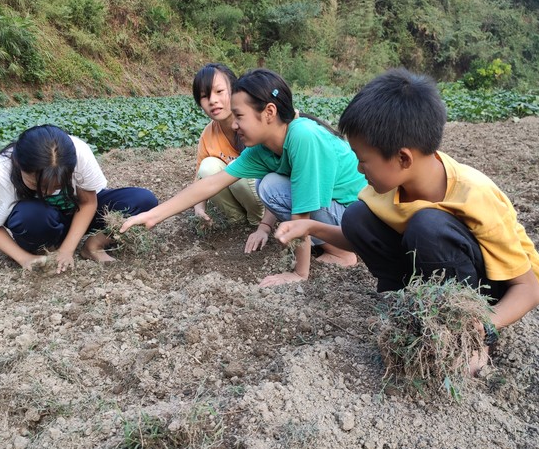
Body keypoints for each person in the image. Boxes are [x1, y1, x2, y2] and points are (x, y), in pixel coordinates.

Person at [274, 68, 539, 372]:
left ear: (403, 158)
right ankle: (406, 306)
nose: (358, 167)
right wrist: (311, 227)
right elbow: (359, 239)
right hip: (437, 266)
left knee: (428, 226)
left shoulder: (475, 195)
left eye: (362, 159)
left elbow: (529, 290)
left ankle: (467, 340)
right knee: (357, 216)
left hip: (493, 292)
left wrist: (484, 325)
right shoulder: (387, 189)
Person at [122, 68, 367, 287]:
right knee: (268, 184)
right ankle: (328, 247)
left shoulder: (303, 136)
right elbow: (211, 183)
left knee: (272, 186)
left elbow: (301, 211)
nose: (235, 125)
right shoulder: (262, 150)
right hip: (335, 214)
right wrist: (154, 215)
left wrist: (299, 273)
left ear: (269, 112)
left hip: (358, 217)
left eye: (239, 116)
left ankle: (342, 254)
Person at [0, 124, 158, 273]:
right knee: (31, 217)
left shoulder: (78, 153)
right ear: (19, 164)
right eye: (40, 186)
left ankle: (94, 244)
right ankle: (48, 247)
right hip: (43, 225)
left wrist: (68, 249)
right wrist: (23, 258)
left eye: (58, 185)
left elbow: (88, 202)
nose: (48, 192)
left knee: (144, 201)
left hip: (78, 214)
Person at [192, 63, 264, 226]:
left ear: (234, 90)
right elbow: (200, 178)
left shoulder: (255, 122)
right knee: (207, 166)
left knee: (237, 166)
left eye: (219, 91)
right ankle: (236, 221)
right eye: (204, 96)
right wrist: (199, 208)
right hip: (239, 190)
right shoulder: (208, 133)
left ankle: (257, 221)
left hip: (265, 199)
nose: (212, 101)